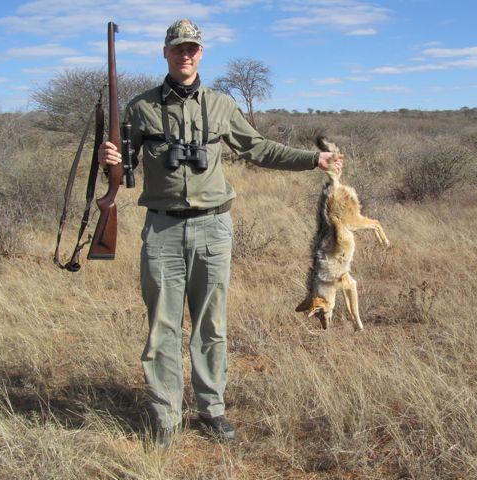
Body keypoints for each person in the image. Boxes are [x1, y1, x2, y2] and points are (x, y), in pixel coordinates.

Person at [98, 18, 342, 447]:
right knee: (162, 327)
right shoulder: (140, 108)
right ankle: (166, 417)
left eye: (192, 48)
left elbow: (259, 148)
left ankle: (211, 410)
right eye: (178, 48)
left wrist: (312, 159)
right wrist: (110, 157)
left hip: (214, 227)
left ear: (201, 53)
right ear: (166, 53)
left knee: (211, 326)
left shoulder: (222, 105)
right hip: (162, 229)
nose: (185, 55)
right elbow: (121, 170)